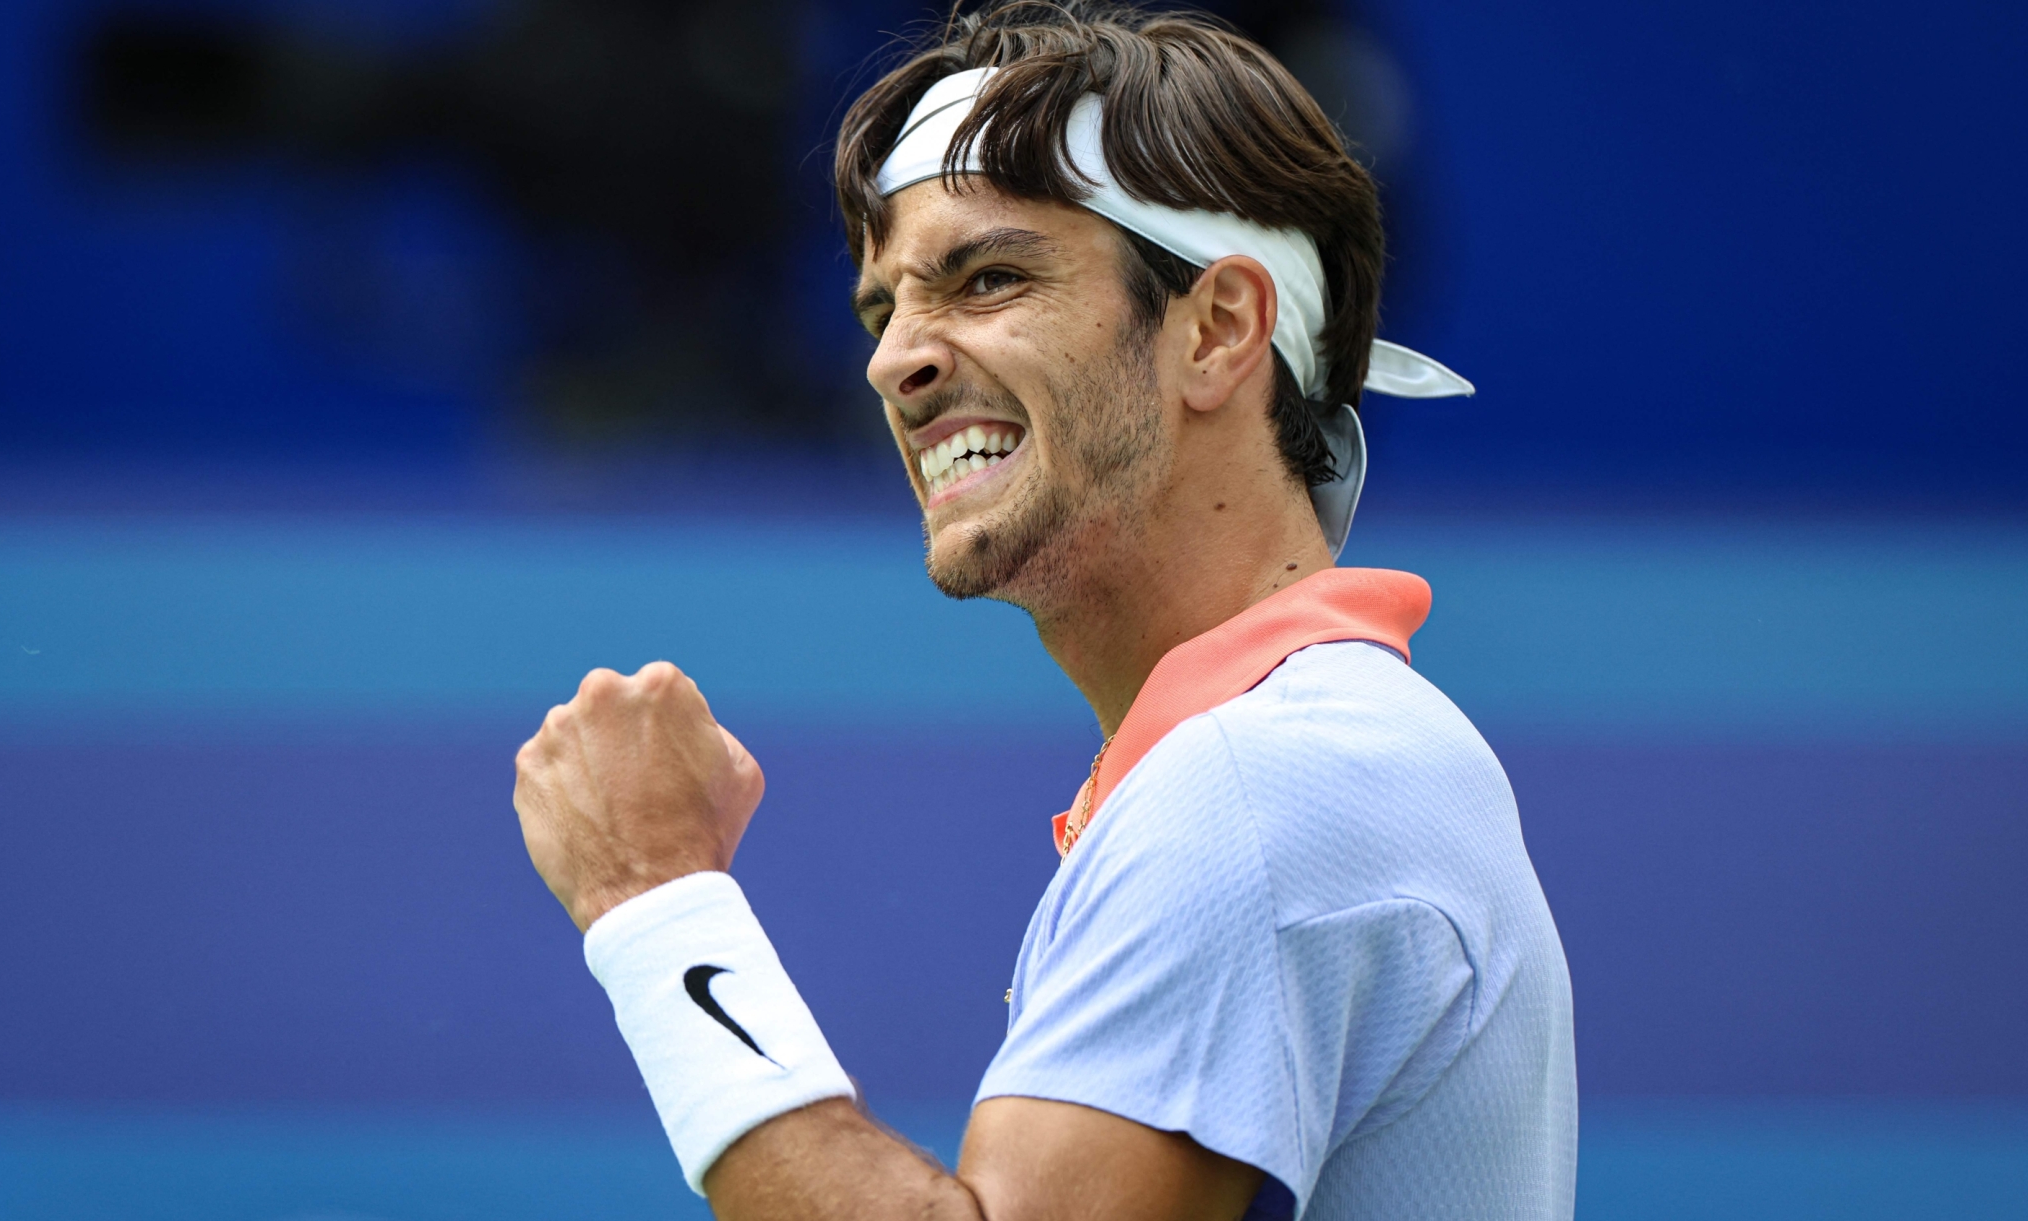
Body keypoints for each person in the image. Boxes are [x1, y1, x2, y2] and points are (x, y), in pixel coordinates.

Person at [511, 3, 1576, 1218]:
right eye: (882, 309)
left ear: (1219, 330)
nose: (894, 361)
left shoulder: (1256, 790)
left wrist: (657, 904)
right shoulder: (1308, 756)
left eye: (989, 277)